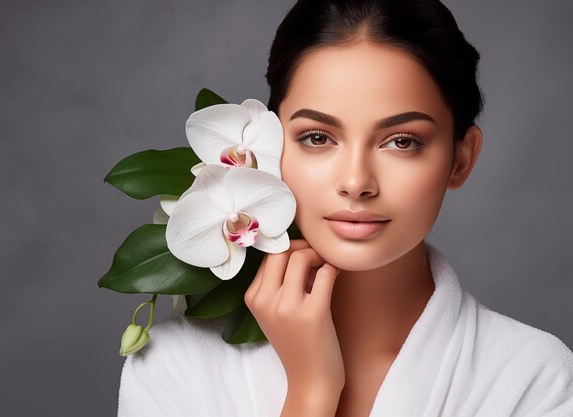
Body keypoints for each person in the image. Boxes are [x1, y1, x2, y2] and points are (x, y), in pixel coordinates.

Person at [117, 1, 573, 416]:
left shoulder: (531, 378)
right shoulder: (174, 365)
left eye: (402, 141)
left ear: (460, 159)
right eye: (317, 138)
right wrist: (312, 390)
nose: (356, 182)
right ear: (271, 146)